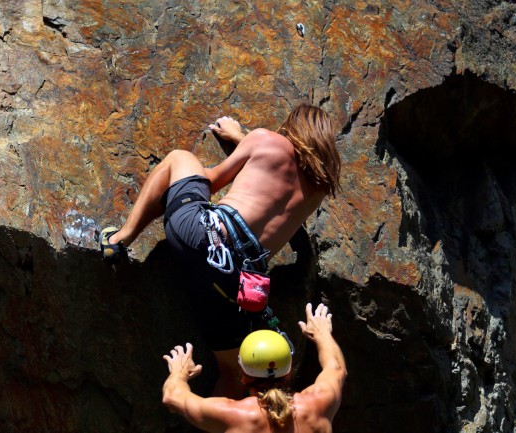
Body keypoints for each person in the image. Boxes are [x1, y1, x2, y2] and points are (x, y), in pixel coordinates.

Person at [100, 104, 341, 397]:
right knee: (234, 373)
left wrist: (243, 139)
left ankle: (120, 240)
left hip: (200, 235)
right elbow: (286, 170)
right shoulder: (319, 188)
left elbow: (210, 180)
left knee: (181, 159)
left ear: (292, 127)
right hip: (237, 285)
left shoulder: (265, 140)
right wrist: (244, 142)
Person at [162, 303, 347, 433]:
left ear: (242, 374)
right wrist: (322, 334)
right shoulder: (319, 404)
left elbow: (172, 397)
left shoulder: (232, 415)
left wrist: (179, 374)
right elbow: (337, 368)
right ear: (289, 372)